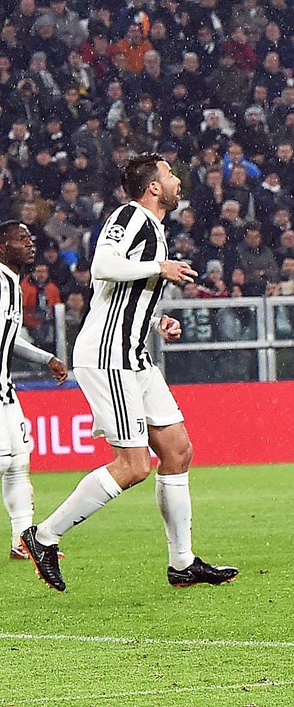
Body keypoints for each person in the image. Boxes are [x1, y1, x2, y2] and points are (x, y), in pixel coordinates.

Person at [20, 155, 237, 591]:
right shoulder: (130, 216)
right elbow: (102, 267)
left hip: (135, 354)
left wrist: (158, 319)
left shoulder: (155, 230)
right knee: (135, 465)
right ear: (153, 187)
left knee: (177, 450)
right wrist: (160, 268)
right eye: (171, 175)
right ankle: (43, 537)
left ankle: (182, 563)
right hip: (108, 355)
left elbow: (121, 292)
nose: (177, 180)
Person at [0, 222, 69, 558]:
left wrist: (47, 359)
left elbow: (8, 340)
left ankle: (22, 540)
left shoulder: (13, 283)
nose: (30, 244)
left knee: (17, 462)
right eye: (21, 239)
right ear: (2, 248)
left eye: (30, 238)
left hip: (6, 391)